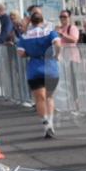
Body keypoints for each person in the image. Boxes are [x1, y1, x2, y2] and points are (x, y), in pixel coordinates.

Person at [16, 8, 61, 138]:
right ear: (43, 20)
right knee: (49, 97)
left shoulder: (25, 36)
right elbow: (58, 44)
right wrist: (57, 55)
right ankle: (51, 124)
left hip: (34, 68)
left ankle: (45, 123)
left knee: (39, 98)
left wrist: (29, 53)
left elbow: (20, 53)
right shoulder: (50, 32)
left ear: (31, 21)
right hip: (50, 67)